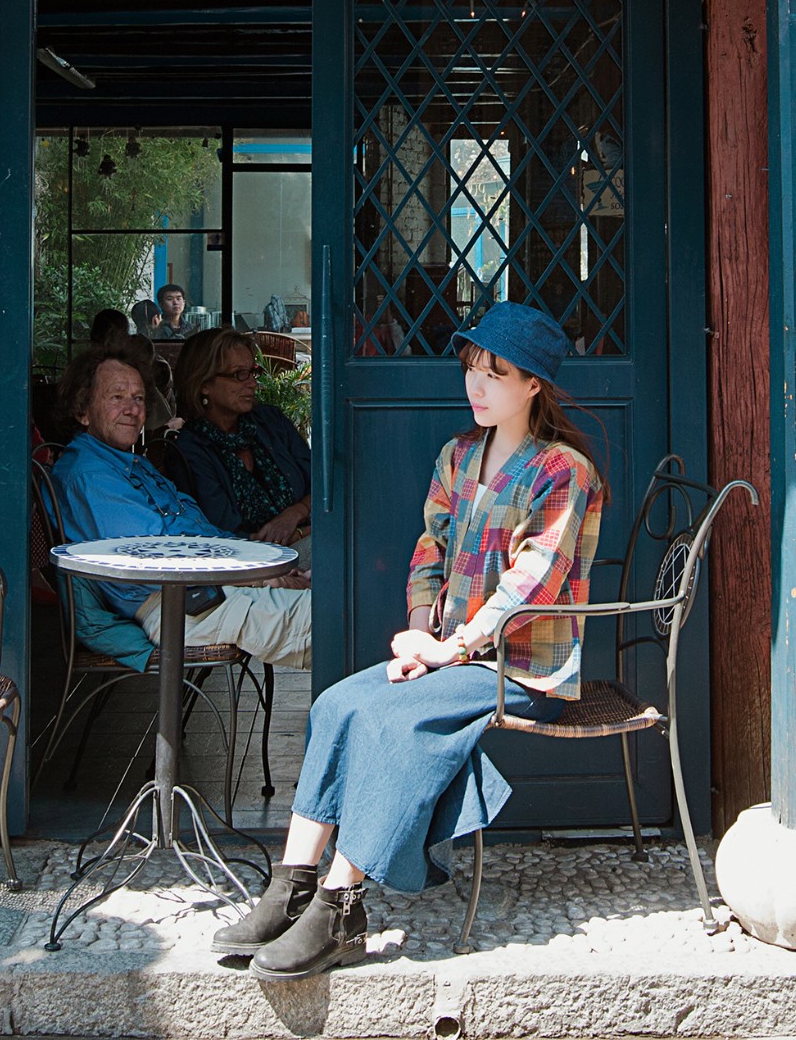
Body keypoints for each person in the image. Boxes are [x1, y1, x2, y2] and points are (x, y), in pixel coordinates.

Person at [210, 301, 604, 981]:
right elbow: (430, 551)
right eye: (472, 368)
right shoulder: (458, 455)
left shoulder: (562, 471)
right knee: (337, 705)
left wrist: (454, 648)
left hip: (520, 669)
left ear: (533, 385)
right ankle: (292, 886)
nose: (476, 385)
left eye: (496, 373)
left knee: (393, 723)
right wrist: (421, 630)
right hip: (449, 656)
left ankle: (341, 906)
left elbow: (533, 582)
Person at [48, 346, 310, 670]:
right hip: (175, 606)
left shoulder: (130, 464)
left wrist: (265, 569)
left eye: (139, 398)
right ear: (83, 411)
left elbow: (196, 534)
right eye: (117, 397)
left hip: (205, 589)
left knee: (336, 602)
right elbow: (162, 553)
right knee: (330, 619)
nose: (132, 409)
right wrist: (260, 576)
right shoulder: (89, 474)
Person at [171, 329, 315, 562]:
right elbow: (226, 535)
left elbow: (323, 488)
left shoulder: (271, 422)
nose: (252, 384)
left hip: (312, 536)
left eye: (252, 372)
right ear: (204, 383)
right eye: (239, 375)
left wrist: (295, 514)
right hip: (251, 561)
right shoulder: (192, 450)